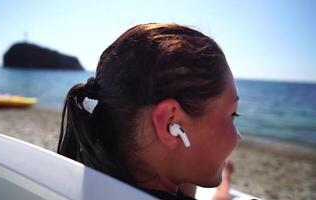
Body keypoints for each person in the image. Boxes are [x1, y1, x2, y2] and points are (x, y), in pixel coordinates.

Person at [57, 23, 241, 200]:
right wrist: (225, 181)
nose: (238, 136)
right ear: (171, 122)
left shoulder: (94, 182)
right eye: (233, 115)